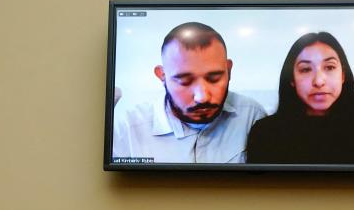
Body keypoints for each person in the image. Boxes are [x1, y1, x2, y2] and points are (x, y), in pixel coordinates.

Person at [112, 22, 267, 163]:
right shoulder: (126, 128)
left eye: (214, 78)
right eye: (184, 81)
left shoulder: (252, 115)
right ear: (162, 75)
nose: (202, 97)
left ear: (229, 70)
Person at [247, 32, 354, 164]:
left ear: (343, 75)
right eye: (306, 69)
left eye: (329, 67)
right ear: (291, 79)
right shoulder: (265, 135)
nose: (319, 81)